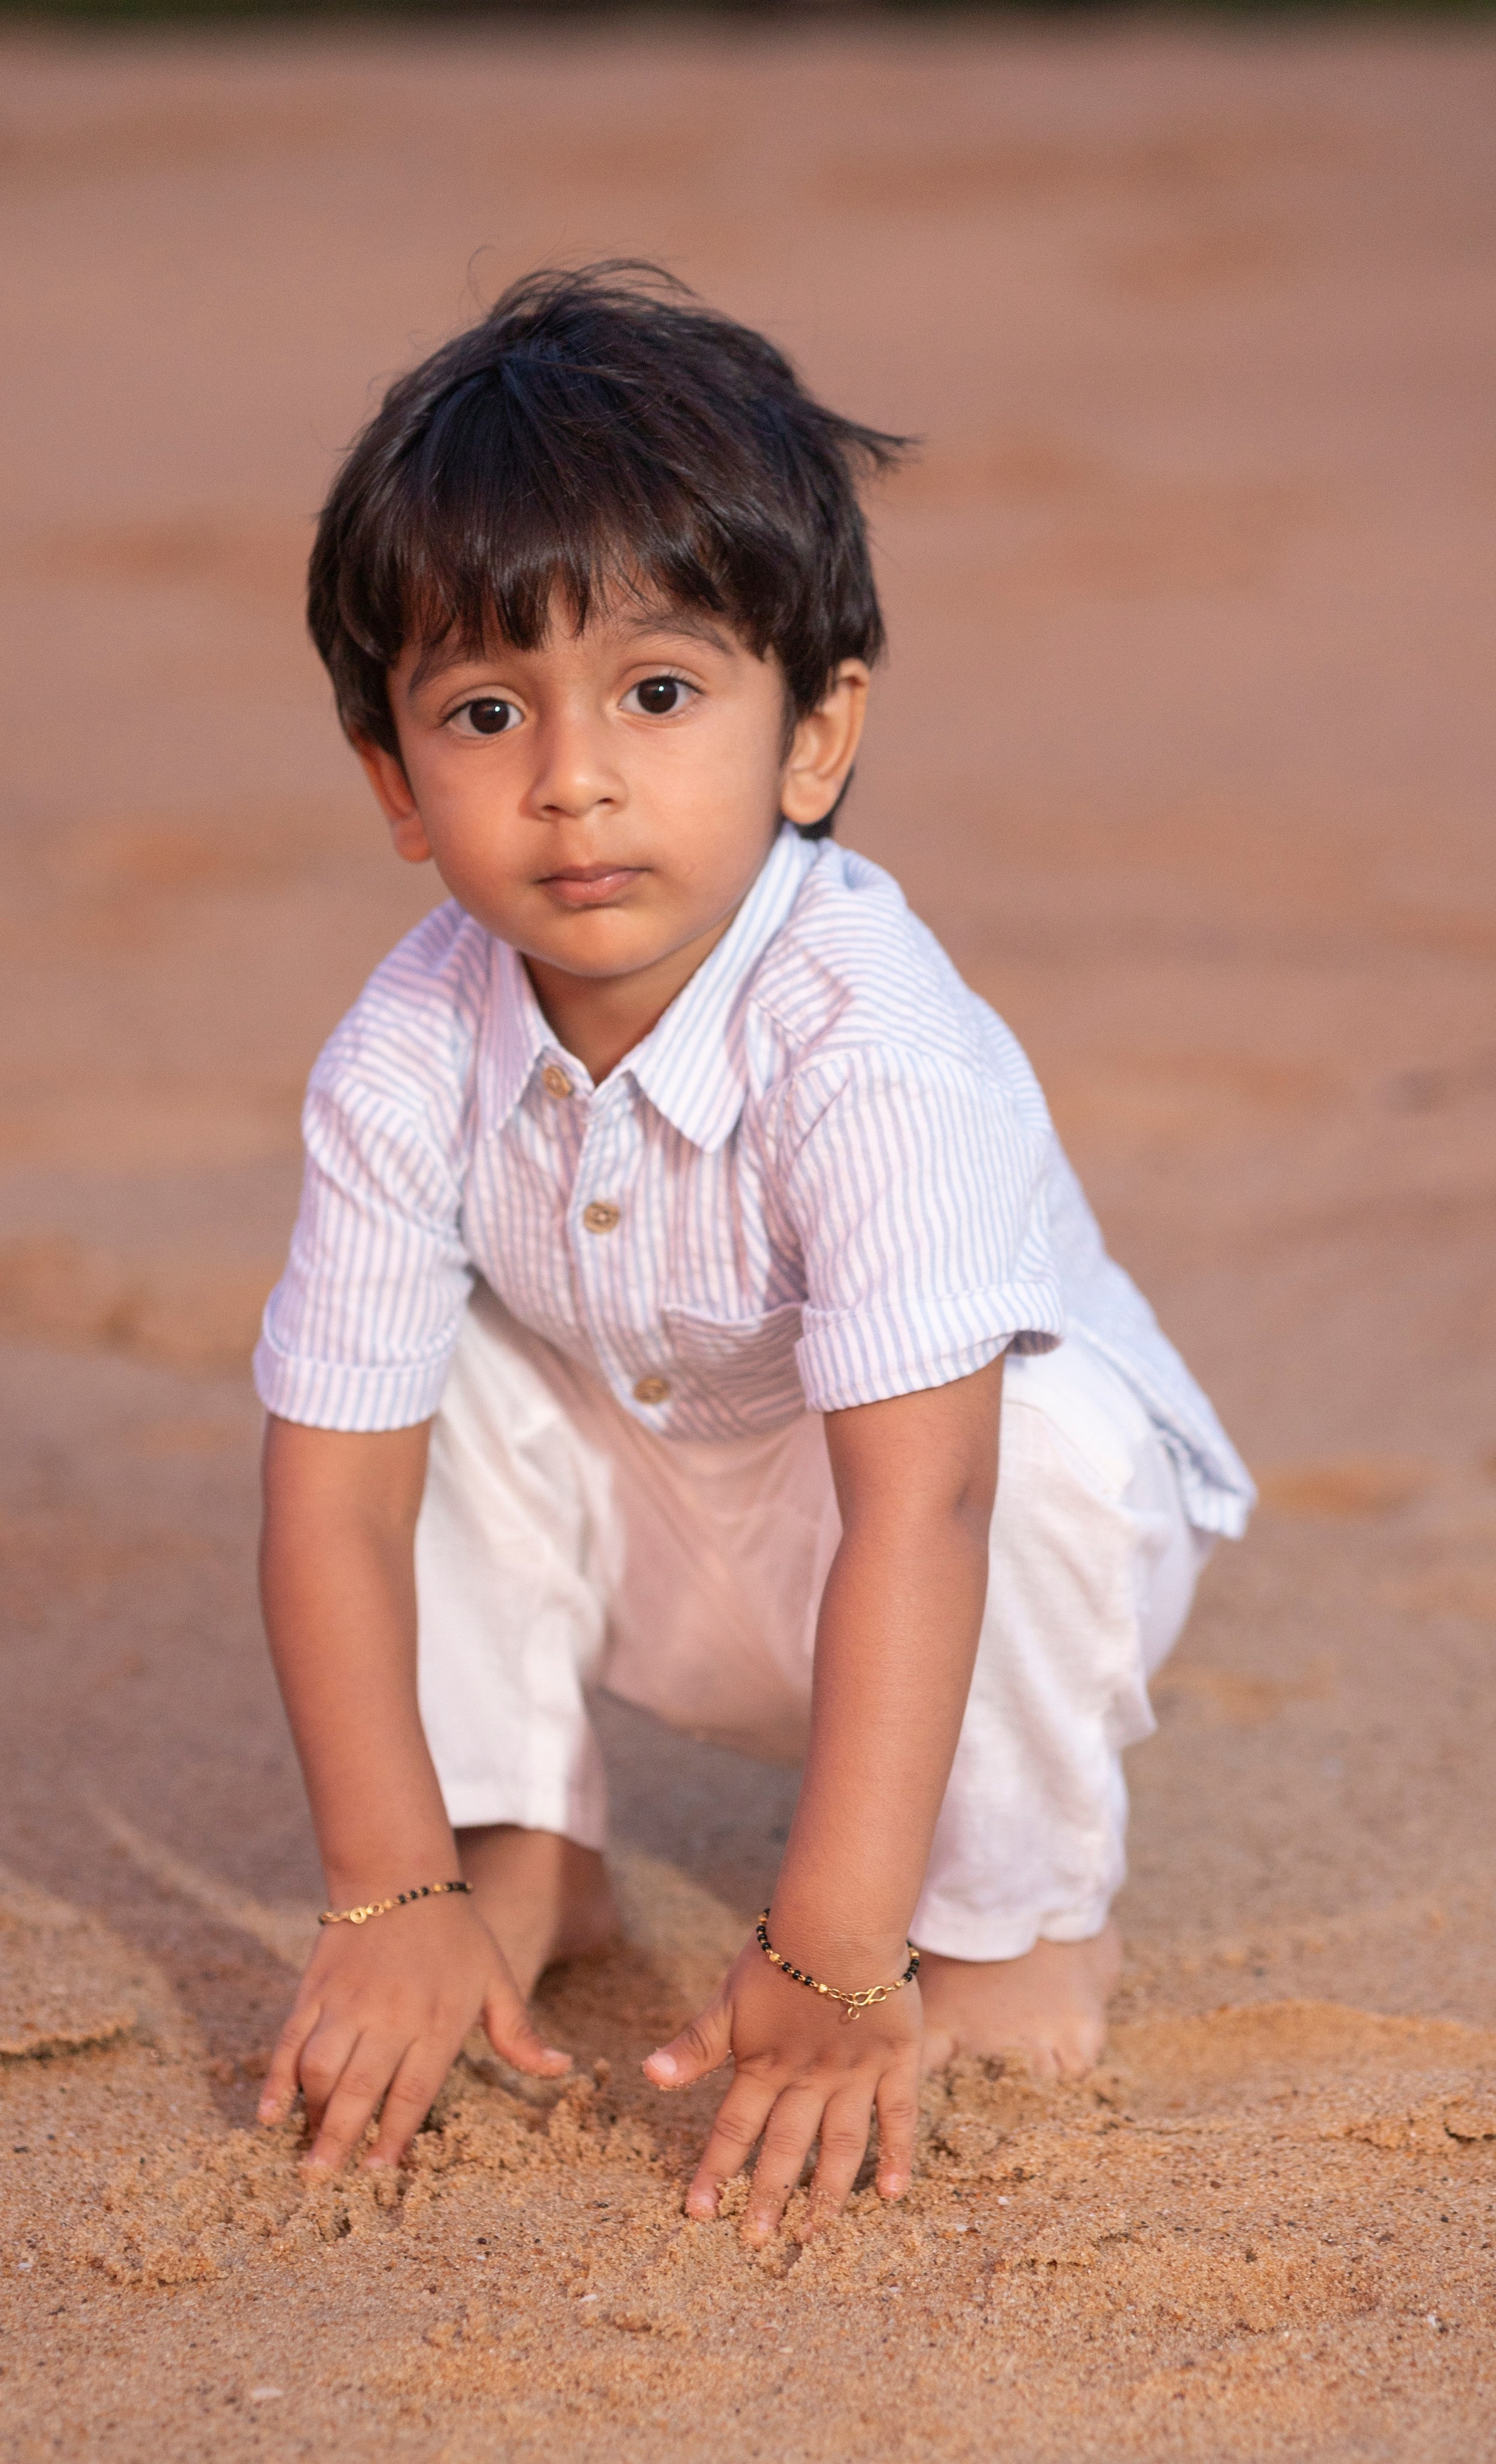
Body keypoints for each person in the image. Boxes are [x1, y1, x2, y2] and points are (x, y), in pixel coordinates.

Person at [253, 262, 1253, 2248]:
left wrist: (835, 1943)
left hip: (927, 1554)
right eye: (481, 712)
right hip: (656, 1505)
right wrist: (388, 1893)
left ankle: (1010, 1924)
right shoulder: (400, 1052)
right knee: (395, 1370)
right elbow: (335, 1505)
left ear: (814, 734)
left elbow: (930, 1511)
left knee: (1041, 1443)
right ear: (392, 779)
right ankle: (520, 1842)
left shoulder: (869, 1045)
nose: (573, 778)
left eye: (658, 690)